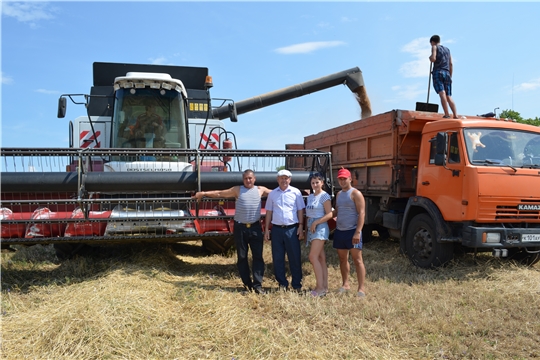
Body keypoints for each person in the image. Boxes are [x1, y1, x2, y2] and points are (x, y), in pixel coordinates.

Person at [193, 170, 271, 295]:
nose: (248, 180)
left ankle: (258, 285)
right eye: (246, 178)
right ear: (243, 179)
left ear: (254, 179)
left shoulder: (260, 190)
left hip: (255, 228)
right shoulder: (237, 190)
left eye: (250, 178)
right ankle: (247, 285)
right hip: (240, 228)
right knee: (242, 257)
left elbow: (278, 194)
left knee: (258, 257)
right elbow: (220, 193)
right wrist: (203, 193)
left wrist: (292, 192)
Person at [264, 169, 306, 292]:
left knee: (294, 257)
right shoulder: (272, 194)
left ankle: (297, 285)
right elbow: (269, 212)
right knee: (277, 258)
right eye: (281, 178)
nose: (284, 180)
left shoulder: (296, 192)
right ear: (277, 180)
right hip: (276, 230)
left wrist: (301, 226)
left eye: (286, 178)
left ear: (290, 179)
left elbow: (300, 210)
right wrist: (267, 229)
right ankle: (282, 284)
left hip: (292, 229)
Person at [332, 168, 367, 298]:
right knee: (342, 259)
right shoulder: (339, 194)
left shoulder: (356, 194)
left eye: (344, 179)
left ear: (350, 179)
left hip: (352, 231)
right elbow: (337, 211)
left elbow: (362, 213)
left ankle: (361, 289)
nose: (342, 181)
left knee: (357, 260)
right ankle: (345, 284)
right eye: (340, 179)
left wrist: (358, 232)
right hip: (340, 231)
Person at [305, 173, 333, 297]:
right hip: (311, 227)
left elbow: (330, 214)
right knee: (321, 258)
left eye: (317, 182)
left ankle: (320, 288)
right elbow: (308, 214)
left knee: (312, 256)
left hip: (320, 227)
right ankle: (324, 286)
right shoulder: (310, 197)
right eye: (313, 183)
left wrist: (317, 222)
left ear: (322, 183)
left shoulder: (324, 196)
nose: (315, 185)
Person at [429, 35, 459, 119]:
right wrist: (450, 76)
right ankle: (456, 115)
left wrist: (430, 57)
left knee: (442, 93)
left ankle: (447, 114)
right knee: (448, 95)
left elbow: (433, 58)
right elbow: (451, 64)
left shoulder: (435, 47)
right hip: (447, 73)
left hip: (438, 72)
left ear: (432, 42)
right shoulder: (447, 50)